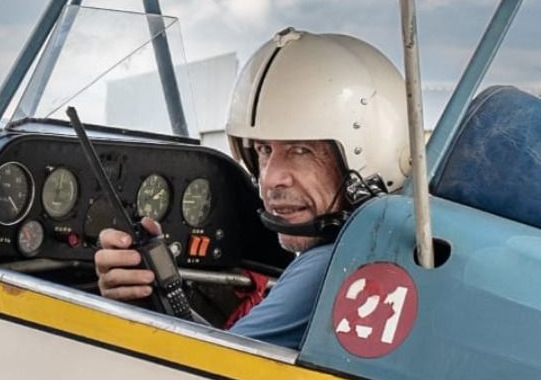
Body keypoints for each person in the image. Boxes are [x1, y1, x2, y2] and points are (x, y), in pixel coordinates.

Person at [94, 28, 411, 350]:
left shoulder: (329, 267)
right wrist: (156, 296)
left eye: (301, 151)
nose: (271, 179)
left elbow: (207, 373)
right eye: (263, 151)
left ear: (373, 153)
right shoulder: (392, 249)